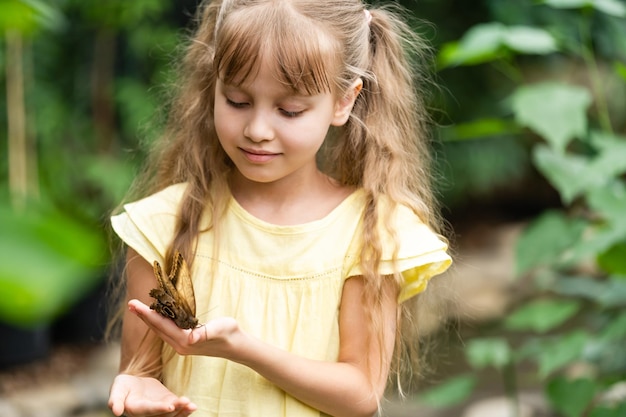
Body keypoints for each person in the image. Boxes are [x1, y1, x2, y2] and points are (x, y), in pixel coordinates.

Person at [107, 0, 452, 416]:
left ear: (344, 101)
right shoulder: (162, 223)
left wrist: (244, 350)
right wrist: (138, 387)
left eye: (289, 110)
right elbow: (140, 371)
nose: (257, 130)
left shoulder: (372, 233)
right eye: (236, 101)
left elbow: (360, 394)